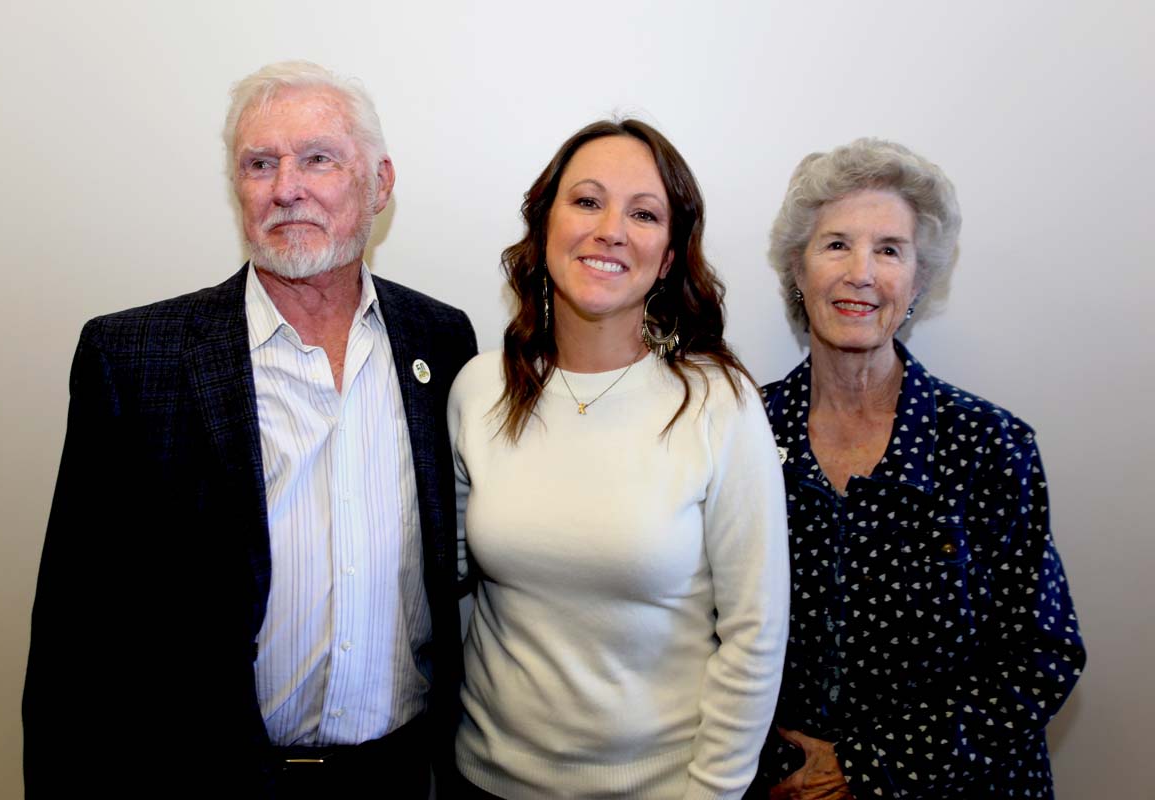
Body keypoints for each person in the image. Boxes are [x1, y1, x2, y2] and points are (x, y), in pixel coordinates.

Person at [22, 61, 477, 799]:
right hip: (203, 778)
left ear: (380, 184)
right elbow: (75, 638)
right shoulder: (135, 357)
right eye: (259, 164)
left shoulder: (442, 340)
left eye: (318, 159)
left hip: (398, 777)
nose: (286, 187)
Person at [447, 119, 790, 799]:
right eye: (586, 201)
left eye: (643, 213)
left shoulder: (717, 402)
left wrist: (713, 793)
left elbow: (756, 631)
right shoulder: (479, 389)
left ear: (667, 257)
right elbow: (438, 574)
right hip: (484, 780)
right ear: (545, 226)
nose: (611, 229)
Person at [750, 138, 1086, 799]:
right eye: (836, 244)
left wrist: (867, 768)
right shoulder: (740, 433)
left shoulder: (991, 445)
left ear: (920, 277)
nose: (862, 273)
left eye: (889, 250)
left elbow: (1043, 655)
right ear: (798, 266)